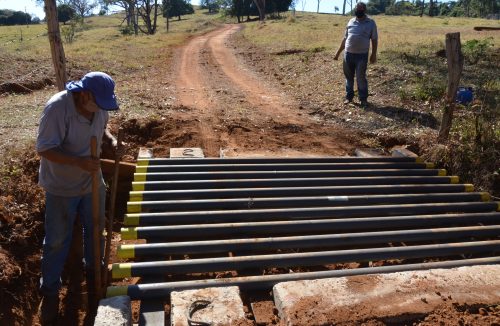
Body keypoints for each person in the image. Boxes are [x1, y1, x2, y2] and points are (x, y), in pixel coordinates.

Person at [36, 72, 119, 325]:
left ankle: (94, 273)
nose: (102, 109)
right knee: (58, 241)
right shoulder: (57, 109)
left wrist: (112, 141)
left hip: (92, 180)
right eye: (99, 103)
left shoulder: (99, 104)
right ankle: (50, 292)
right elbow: (44, 148)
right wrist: (78, 162)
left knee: (96, 228)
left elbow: (103, 130)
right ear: (84, 94)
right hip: (62, 186)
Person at [334, 2, 378, 108]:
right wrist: (338, 53)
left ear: (364, 10)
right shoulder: (350, 21)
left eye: (361, 9)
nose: (359, 10)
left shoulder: (371, 22)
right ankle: (349, 97)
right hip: (348, 54)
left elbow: (375, 39)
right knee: (348, 77)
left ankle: (363, 99)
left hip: (362, 56)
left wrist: (373, 54)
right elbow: (345, 38)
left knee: (360, 77)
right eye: (357, 8)